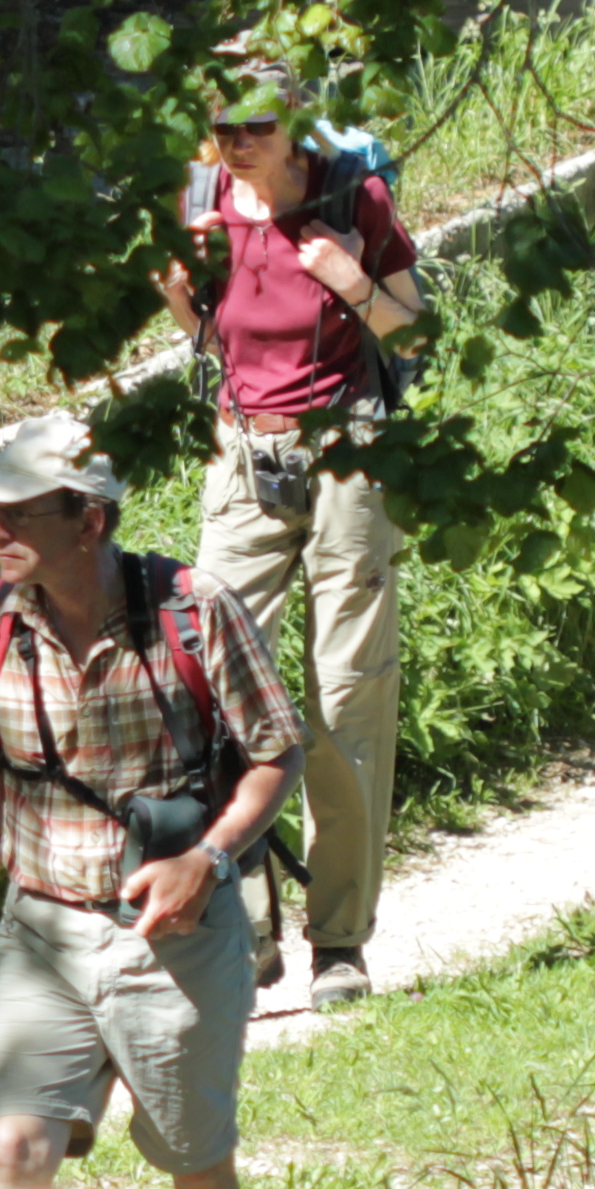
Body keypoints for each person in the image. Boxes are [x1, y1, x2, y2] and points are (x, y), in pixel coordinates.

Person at [0, 409, 301, 1189]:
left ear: (87, 520)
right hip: (40, 934)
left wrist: (207, 863)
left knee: (195, 1162)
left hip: (173, 941)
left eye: (14, 513)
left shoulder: (193, 608)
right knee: (15, 1150)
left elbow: (274, 754)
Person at [153, 56, 424, 1010]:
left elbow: (414, 332)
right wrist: (181, 298)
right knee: (216, 686)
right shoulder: (203, 199)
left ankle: (340, 944)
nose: (236, 144)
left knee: (346, 698)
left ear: (295, 123)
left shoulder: (355, 196)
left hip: (348, 452)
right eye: (224, 126)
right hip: (242, 457)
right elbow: (208, 334)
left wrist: (352, 280)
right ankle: (248, 927)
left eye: (255, 127)